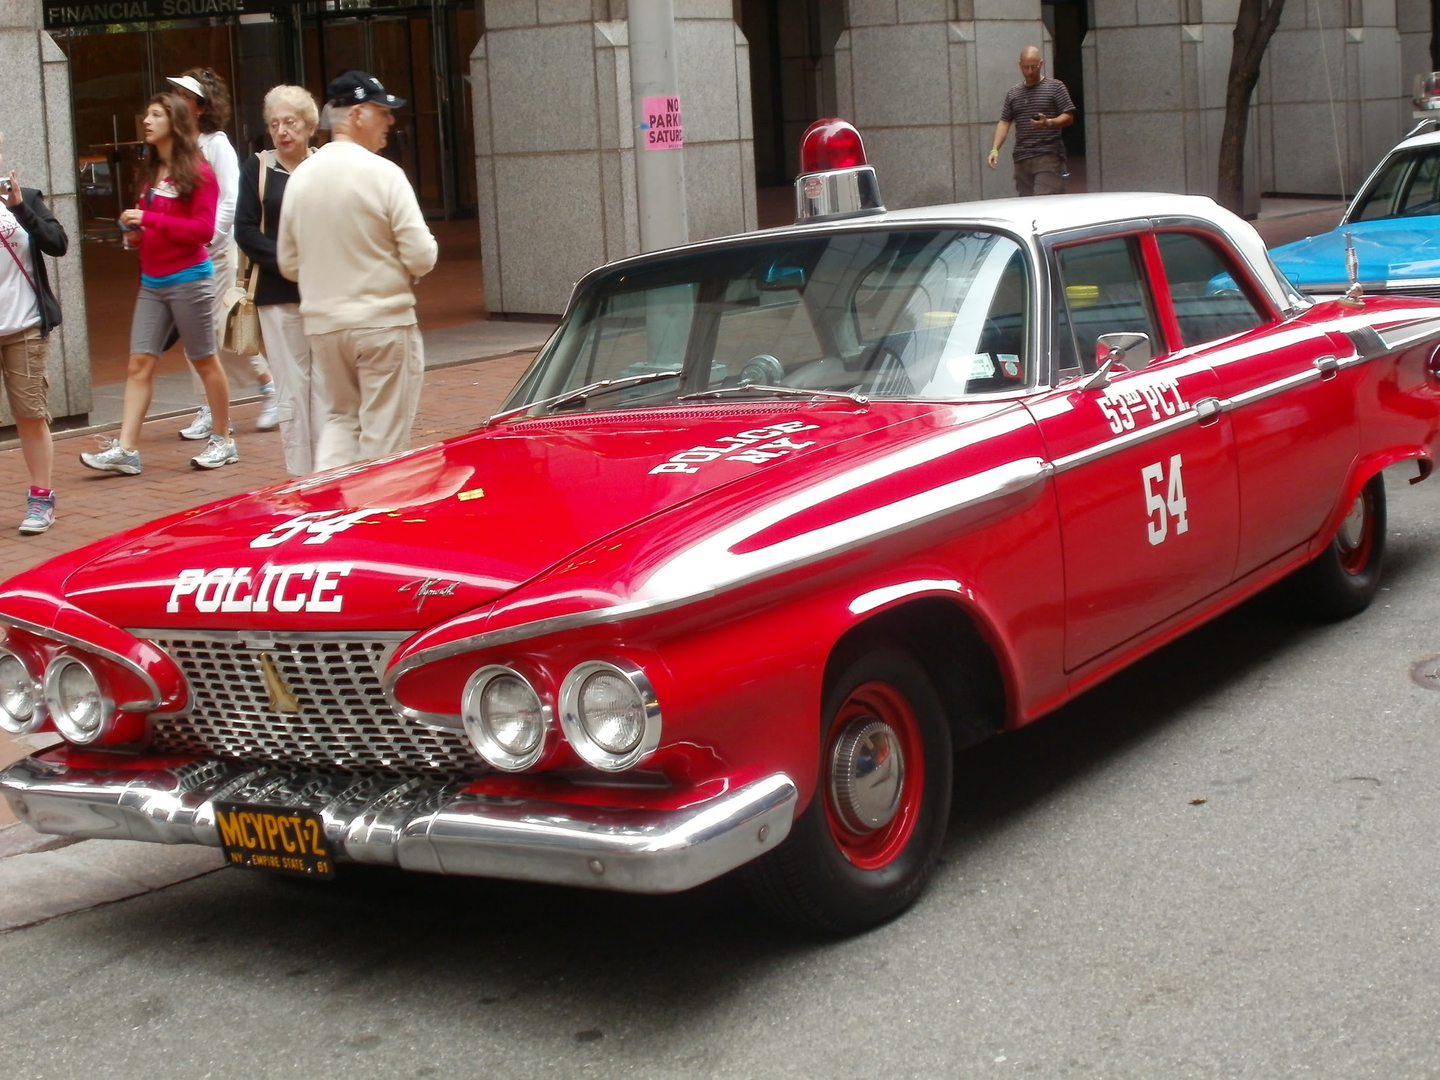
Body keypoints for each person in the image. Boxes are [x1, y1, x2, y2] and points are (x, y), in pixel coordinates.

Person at [277, 70, 437, 471]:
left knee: (338, 423)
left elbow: (288, 263)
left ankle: (330, 517)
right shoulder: (383, 174)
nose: (390, 121)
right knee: (382, 438)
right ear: (360, 113)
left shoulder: (300, 178)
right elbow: (422, 256)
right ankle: (371, 520)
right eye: (383, 112)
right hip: (382, 321)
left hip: (325, 326)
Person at [80, 92, 239, 475]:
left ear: (176, 123)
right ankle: (127, 449)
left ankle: (223, 439)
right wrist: (135, 233)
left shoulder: (199, 172)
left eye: (156, 114)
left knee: (204, 360)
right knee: (138, 363)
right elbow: (152, 228)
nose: (146, 121)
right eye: (146, 114)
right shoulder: (151, 173)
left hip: (190, 280)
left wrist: (150, 221)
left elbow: (202, 230)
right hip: (152, 281)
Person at [166, 69, 279, 440]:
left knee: (223, 329)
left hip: (213, 251)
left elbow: (230, 198)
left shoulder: (216, 144)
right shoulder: (178, 145)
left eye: (184, 95)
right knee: (194, 331)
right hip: (187, 251)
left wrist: (210, 237)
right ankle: (211, 409)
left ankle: (269, 386)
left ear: (200, 106)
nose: (176, 100)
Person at [235, 84, 320, 475]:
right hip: (278, 294)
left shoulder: (325, 165)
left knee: (327, 389)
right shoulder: (258, 167)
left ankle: (332, 470)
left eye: (290, 122)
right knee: (291, 389)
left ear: (308, 125)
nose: (282, 131)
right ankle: (301, 476)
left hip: (326, 294)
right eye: (274, 124)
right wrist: (289, 264)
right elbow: (245, 230)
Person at [0, 133, 68, 534]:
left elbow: (57, 244)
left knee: (29, 414)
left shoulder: (25, 198)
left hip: (24, 325)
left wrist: (21, 208)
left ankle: (41, 499)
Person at [987, 46, 1076, 197]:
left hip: (1048, 155)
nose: (1030, 71)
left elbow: (1069, 117)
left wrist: (1048, 122)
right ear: (1019, 65)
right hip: (1022, 158)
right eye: (1026, 67)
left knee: (1043, 202)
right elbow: (1004, 122)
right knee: (1027, 206)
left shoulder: (1055, 87)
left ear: (1041, 64)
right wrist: (995, 149)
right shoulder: (1014, 93)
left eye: (1033, 67)